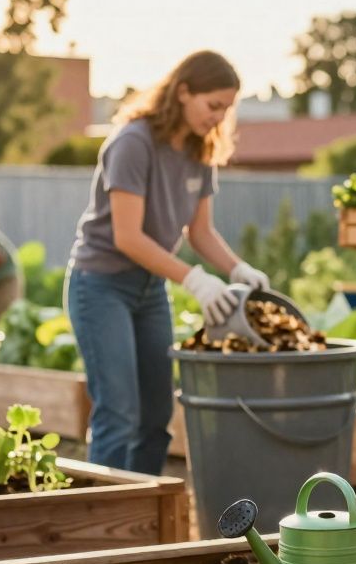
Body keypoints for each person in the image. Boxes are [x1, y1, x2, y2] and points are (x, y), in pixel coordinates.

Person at [66, 50, 269, 476]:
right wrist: (194, 279)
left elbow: (201, 233)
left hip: (149, 288)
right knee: (119, 412)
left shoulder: (200, 151)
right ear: (182, 92)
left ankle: (141, 513)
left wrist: (237, 270)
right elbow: (128, 237)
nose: (218, 117)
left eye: (227, 109)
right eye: (212, 105)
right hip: (101, 286)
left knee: (157, 416)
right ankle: (104, 520)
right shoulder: (133, 143)